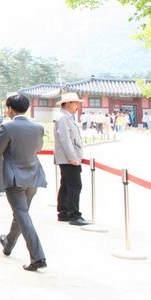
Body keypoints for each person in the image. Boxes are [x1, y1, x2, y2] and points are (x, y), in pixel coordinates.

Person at [0, 94, 48, 271]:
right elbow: (38, 148)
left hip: (15, 178)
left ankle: (37, 257)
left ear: (10, 109)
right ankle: (8, 244)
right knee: (21, 214)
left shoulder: (7, 127)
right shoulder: (38, 127)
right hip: (33, 176)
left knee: (22, 215)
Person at [53, 92, 90, 226]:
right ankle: (74, 215)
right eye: (76, 103)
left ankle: (63, 212)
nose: (77, 106)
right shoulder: (63, 118)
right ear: (67, 103)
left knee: (66, 185)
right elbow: (65, 139)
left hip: (66, 158)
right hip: (68, 159)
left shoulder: (65, 116)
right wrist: (72, 157)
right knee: (75, 186)